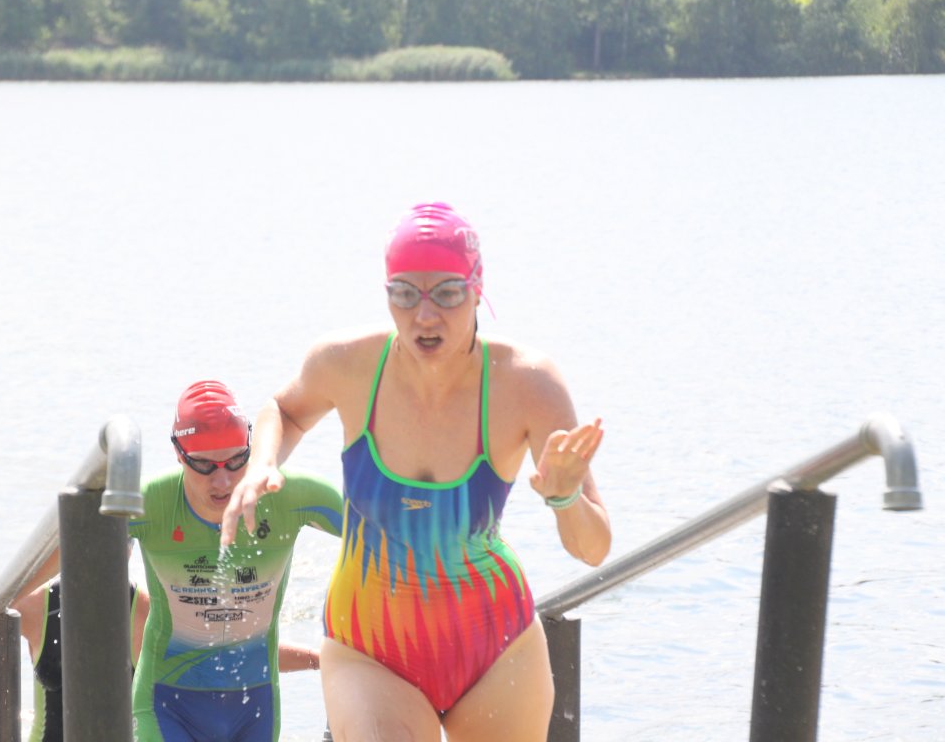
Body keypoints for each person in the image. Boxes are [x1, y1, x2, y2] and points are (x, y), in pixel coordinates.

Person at [221, 202, 613, 742]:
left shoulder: (528, 384)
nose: (424, 316)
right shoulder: (347, 364)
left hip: (497, 650)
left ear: (477, 288)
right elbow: (284, 410)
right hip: (368, 648)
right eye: (404, 294)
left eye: (447, 293)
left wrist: (566, 499)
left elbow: (594, 548)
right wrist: (261, 464)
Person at [128, 379, 343, 742]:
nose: (222, 481)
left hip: (255, 707)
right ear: (179, 453)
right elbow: (67, 545)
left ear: (252, 448)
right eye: (204, 465)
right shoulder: (150, 502)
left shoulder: (288, 496)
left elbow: (387, 537)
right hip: (166, 704)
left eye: (236, 461)